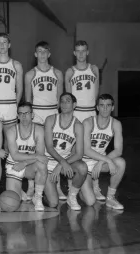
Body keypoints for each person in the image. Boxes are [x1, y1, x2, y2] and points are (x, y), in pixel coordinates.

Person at [25, 41, 64, 201]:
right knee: (35, 150)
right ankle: (31, 186)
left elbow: (61, 99)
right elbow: (27, 100)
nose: (42, 54)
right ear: (35, 54)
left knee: (54, 150)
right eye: (39, 51)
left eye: (45, 51)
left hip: (53, 113)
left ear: (49, 54)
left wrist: (59, 117)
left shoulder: (57, 74)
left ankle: (58, 186)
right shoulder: (30, 74)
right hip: (37, 113)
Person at [65, 40, 102, 200]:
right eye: (78, 51)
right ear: (74, 53)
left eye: (83, 51)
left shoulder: (94, 69)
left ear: (87, 52)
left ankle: (95, 185)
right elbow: (68, 98)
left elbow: (96, 93)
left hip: (91, 113)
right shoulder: (70, 72)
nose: (80, 54)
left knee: (92, 148)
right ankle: (70, 185)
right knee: (72, 149)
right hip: (77, 113)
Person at [44, 93, 87, 210]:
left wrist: (61, 164)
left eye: (68, 101)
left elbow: (79, 154)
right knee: (53, 203)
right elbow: (49, 147)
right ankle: (43, 190)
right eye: (62, 101)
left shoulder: (78, 125)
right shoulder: (51, 120)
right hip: (47, 162)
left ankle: (72, 196)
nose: (64, 103)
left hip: (65, 162)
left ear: (74, 105)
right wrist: (62, 162)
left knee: (82, 167)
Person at [81, 94, 125, 209]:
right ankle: (81, 188)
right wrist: (105, 159)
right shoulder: (88, 122)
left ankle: (110, 198)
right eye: (102, 105)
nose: (105, 108)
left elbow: (118, 150)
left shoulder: (116, 124)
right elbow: (86, 150)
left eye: (108, 105)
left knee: (120, 163)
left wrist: (101, 163)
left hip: (99, 162)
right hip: (84, 162)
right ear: (97, 107)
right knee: (90, 201)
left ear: (113, 108)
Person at [5, 102, 48, 211]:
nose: (24, 116)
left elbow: (41, 155)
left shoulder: (39, 130)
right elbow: (15, 156)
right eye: (21, 113)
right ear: (18, 116)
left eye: (27, 113)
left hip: (28, 165)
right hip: (13, 166)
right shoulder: (11, 131)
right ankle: (19, 189)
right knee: (13, 201)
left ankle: (37, 197)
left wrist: (24, 163)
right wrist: (36, 157)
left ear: (32, 115)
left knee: (42, 165)